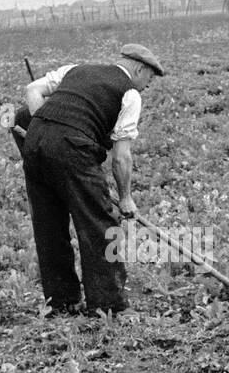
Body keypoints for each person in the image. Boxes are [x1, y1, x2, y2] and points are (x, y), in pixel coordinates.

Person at [21, 44, 164, 315]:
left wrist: (43, 124)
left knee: (49, 227)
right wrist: (125, 199)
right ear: (139, 68)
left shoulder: (76, 69)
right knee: (100, 226)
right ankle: (107, 305)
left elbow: (32, 90)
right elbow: (121, 157)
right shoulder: (130, 93)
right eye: (150, 78)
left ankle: (61, 302)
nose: (149, 85)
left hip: (34, 143)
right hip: (73, 150)